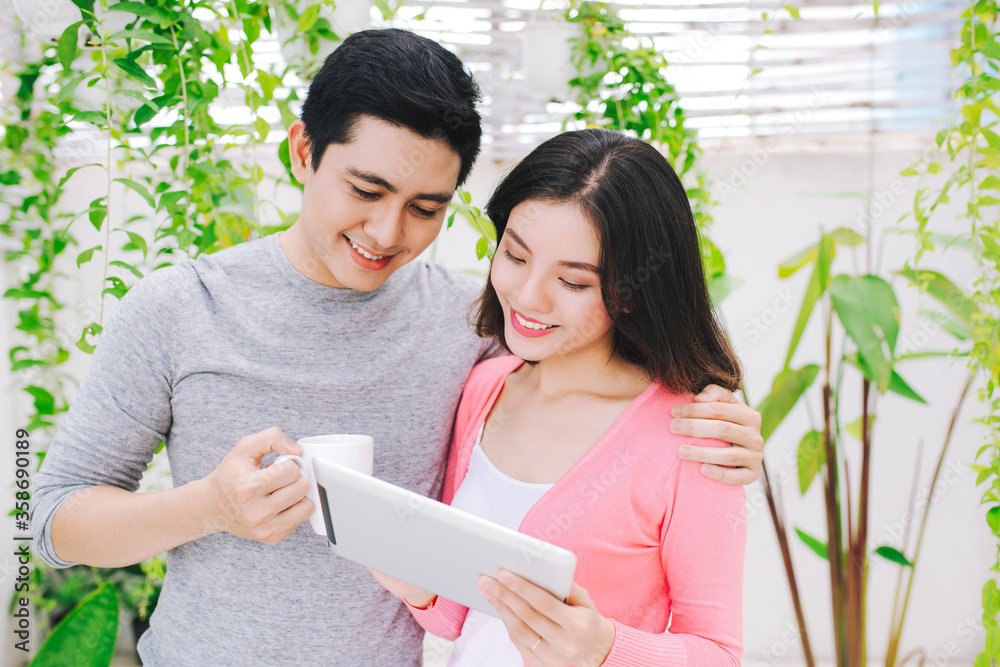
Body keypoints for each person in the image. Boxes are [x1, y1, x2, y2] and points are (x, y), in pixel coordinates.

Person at [32, 29, 761, 666]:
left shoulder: (471, 329)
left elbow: (601, 380)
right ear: (303, 150)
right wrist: (209, 507)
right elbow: (50, 520)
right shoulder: (177, 309)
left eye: (425, 207)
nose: (386, 232)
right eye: (366, 189)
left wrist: (727, 419)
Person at [373, 129, 746, 666]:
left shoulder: (692, 437)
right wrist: (416, 584)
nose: (527, 297)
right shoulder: (484, 390)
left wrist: (604, 649)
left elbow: (720, 654)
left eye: (573, 282)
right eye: (516, 256)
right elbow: (460, 618)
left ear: (634, 293)